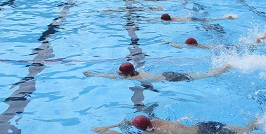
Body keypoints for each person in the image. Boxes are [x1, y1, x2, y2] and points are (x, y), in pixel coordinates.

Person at [92, 115, 266, 134]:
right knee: (244, 129)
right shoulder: (156, 121)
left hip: (205, 132)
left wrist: (109, 130)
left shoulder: (156, 133)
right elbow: (130, 122)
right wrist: (108, 125)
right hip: (203, 125)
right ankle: (262, 119)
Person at [84, 61, 231, 82]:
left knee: (202, 76)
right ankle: (222, 67)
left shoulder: (131, 78)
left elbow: (111, 77)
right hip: (167, 74)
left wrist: (94, 74)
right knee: (197, 74)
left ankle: (223, 69)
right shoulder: (137, 72)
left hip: (169, 79)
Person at [159, 13, 237, 22]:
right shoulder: (173, 18)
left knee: (211, 20)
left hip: (193, 20)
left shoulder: (173, 21)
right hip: (192, 18)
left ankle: (226, 18)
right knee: (210, 20)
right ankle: (225, 18)